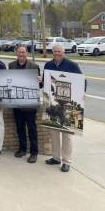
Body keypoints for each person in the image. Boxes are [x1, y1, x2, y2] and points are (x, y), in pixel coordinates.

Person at [42, 44, 85, 172]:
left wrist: (80, 97)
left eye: (59, 51)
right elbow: (45, 83)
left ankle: (66, 161)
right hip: (53, 104)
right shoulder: (48, 65)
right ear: (52, 52)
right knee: (54, 131)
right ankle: (56, 157)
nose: (57, 53)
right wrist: (40, 81)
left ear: (64, 52)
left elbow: (83, 82)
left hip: (68, 105)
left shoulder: (73, 65)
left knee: (67, 134)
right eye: (55, 51)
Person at [9, 45, 41, 163]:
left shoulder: (34, 66)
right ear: (16, 53)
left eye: (23, 52)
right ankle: (22, 149)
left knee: (32, 129)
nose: (21, 55)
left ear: (26, 53)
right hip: (17, 103)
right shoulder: (11, 66)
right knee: (20, 128)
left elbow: (39, 85)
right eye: (19, 52)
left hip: (30, 103)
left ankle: (34, 152)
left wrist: (39, 82)